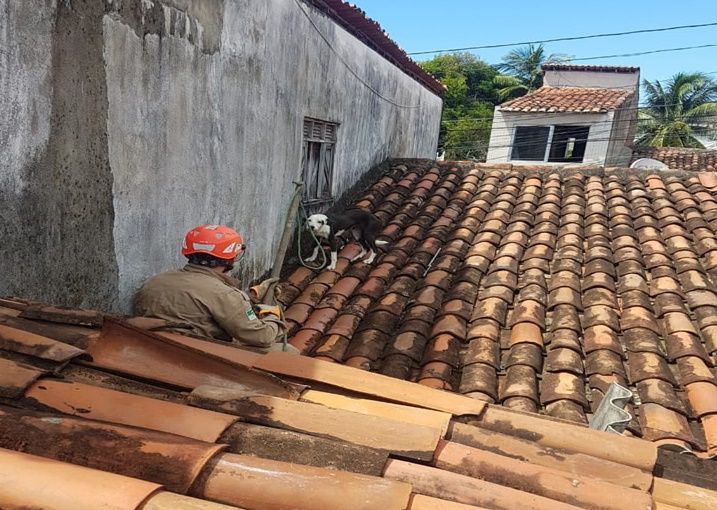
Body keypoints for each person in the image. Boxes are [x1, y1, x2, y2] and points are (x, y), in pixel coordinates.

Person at [134, 224, 293, 352]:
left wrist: (249, 298)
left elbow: (200, 301)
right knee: (288, 351)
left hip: (152, 346)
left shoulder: (156, 281)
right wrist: (272, 315)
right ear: (230, 258)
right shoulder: (224, 294)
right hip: (198, 356)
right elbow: (261, 337)